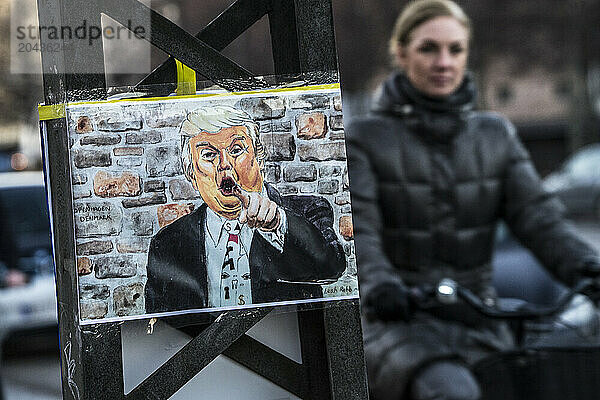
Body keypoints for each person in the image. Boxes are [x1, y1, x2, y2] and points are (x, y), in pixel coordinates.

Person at [345, 1, 600, 399]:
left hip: (481, 319)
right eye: (429, 48)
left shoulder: (494, 134)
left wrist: (588, 269)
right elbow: (360, 230)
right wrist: (380, 286)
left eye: (455, 49)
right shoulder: (365, 138)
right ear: (401, 54)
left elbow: (539, 220)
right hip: (400, 323)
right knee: (453, 392)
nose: (444, 61)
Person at [145, 105, 346, 314]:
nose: (225, 164)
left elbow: (332, 268)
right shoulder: (168, 245)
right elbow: (159, 324)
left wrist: (277, 223)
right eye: (208, 155)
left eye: (236, 150)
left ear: (259, 159)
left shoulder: (308, 210)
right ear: (192, 174)